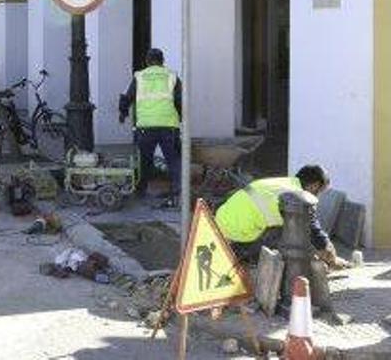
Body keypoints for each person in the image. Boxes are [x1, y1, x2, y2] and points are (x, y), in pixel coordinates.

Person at [215, 165, 350, 269]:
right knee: (293, 237)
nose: (318, 196)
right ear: (313, 186)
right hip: (238, 237)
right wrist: (333, 259)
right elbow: (315, 234)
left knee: (290, 227)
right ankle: (248, 260)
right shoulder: (299, 196)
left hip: (217, 224)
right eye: (319, 192)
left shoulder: (283, 183)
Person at [118, 48, 182, 209]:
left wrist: (123, 113)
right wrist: (181, 118)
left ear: (147, 61)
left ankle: (140, 190)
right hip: (169, 126)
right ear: (162, 61)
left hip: (145, 126)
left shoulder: (139, 76)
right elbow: (180, 100)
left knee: (144, 161)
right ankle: (178, 191)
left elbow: (126, 96)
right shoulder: (172, 76)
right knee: (173, 160)